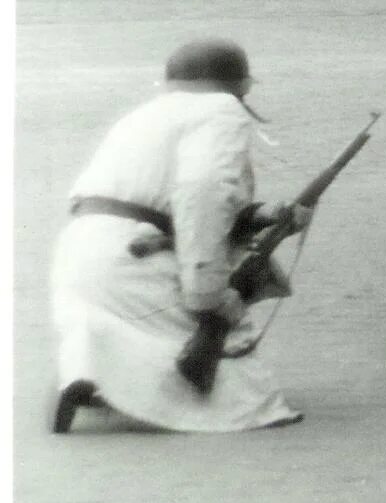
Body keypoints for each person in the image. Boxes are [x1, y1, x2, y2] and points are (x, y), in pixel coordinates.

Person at [49, 38, 309, 433]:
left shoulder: (142, 115)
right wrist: (207, 295)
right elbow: (203, 196)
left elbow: (164, 200)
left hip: (83, 255)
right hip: (132, 262)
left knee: (107, 322)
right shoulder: (222, 111)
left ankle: (91, 374)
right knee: (228, 338)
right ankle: (157, 393)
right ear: (242, 86)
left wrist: (265, 216)